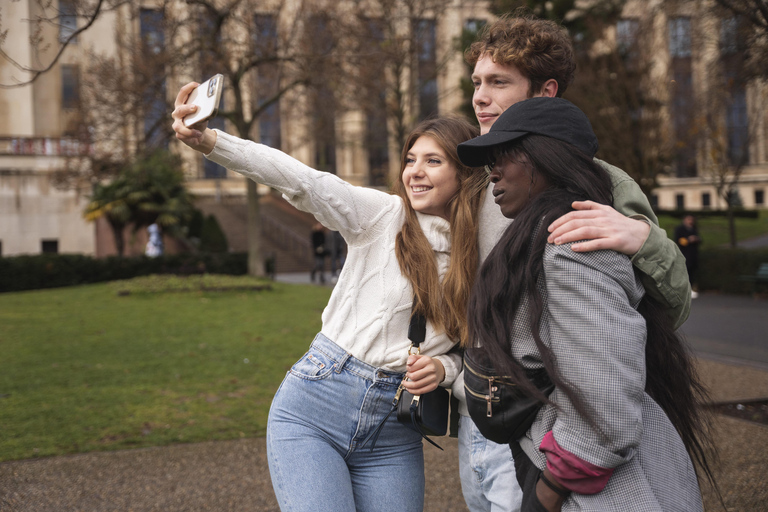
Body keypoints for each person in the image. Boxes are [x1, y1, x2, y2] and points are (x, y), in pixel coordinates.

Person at [172, 90, 488, 512]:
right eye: (410, 160)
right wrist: (212, 142)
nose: (415, 172)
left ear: (464, 173)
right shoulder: (382, 215)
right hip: (316, 408)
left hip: (394, 435)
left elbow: (474, 347)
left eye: (433, 161)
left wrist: (443, 368)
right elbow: (302, 180)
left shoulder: (482, 250)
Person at [453, 14, 693, 512]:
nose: (479, 96)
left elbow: (664, 310)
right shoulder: (482, 181)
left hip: (560, 428)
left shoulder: (597, 188)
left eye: (498, 82)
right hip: (491, 415)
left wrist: (645, 240)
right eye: (476, 82)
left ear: (545, 94)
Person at [674, 215, 702, 298]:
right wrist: (689, 240)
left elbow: (700, 239)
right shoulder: (680, 229)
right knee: (685, 272)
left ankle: (691, 289)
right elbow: (679, 241)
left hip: (693, 254)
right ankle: (684, 290)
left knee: (692, 272)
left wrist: (696, 239)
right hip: (685, 254)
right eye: (688, 219)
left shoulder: (694, 229)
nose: (690, 221)